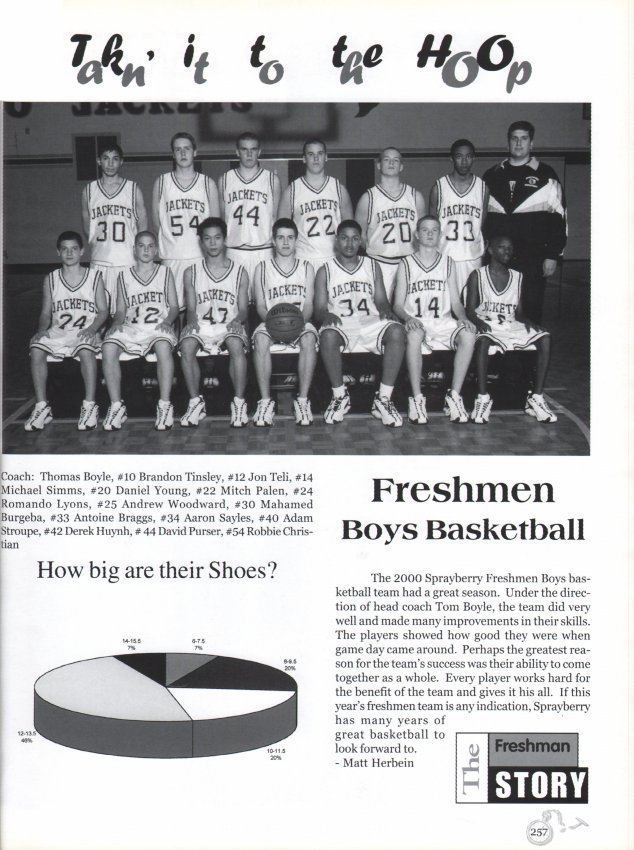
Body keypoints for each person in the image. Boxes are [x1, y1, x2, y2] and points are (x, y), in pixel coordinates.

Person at [314, 220, 405, 427]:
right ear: (336, 241)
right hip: (342, 323)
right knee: (327, 335)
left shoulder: (372, 265)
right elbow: (319, 308)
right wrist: (325, 315)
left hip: (369, 320)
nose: (349, 243)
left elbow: (381, 300)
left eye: (355, 238)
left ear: (361, 241)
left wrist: (386, 311)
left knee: (397, 331)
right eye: (344, 238)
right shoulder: (325, 270)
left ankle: (383, 399)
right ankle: (340, 397)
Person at [392, 215, 476, 425]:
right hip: (417, 321)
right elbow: (397, 305)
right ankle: (417, 398)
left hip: (443, 321)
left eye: (434, 230)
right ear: (416, 234)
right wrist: (408, 317)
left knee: (468, 334)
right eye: (425, 230)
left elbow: (456, 302)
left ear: (440, 235)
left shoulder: (448, 263)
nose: (429, 234)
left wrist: (463, 317)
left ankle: (454, 396)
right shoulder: (406, 263)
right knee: (414, 335)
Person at [466, 235, 557, 423]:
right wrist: (478, 322)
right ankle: (482, 398)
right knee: (483, 341)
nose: (507, 251)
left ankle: (536, 398)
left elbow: (519, 312)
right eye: (502, 247)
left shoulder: (517, 276)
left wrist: (528, 322)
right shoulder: (478, 275)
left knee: (545, 337)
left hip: (510, 324)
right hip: (487, 323)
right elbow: (469, 310)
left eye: (510, 248)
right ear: (490, 250)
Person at [483, 121, 567, 324]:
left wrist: (552, 255)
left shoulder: (546, 175)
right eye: (514, 138)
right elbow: (482, 218)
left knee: (530, 310)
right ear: (507, 143)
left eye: (524, 138)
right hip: (498, 258)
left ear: (532, 143)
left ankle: (530, 345)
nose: (518, 143)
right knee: (497, 309)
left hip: (532, 258)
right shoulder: (492, 175)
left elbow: (559, 218)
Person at [25, 231, 108, 432]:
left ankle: (89, 405)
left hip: (84, 331)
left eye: (74, 249)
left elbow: (103, 311)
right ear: (58, 252)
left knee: (85, 350)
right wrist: (41, 330)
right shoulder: (51, 279)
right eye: (64, 249)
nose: (69, 253)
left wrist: (93, 329)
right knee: (36, 348)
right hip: (59, 332)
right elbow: (45, 313)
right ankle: (42, 407)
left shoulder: (94, 277)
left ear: (82, 251)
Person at [101, 231, 179, 431]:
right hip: (132, 327)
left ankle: (164, 405)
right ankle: (117, 406)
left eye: (150, 246)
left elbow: (174, 307)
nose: (146, 250)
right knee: (108, 347)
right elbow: (120, 310)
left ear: (156, 250)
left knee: (163, 347)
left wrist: (168, 322)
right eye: (141, 246)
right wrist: (116, 323)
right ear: (134, 249)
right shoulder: (123, 276)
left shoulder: (165, 272)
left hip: (157, 327)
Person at [179, 218, 249, 428]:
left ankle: (239, 403)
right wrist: (191, 321)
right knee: (187, 345)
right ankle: (195, 402)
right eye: (207, 238)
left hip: (229, 324)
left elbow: (244, 309)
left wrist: (238, 321)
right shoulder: (191, 272)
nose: (213, 243)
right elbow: (191, 309)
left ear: (224, 240)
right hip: (202, 325)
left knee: (235, 343)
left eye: (217, 238)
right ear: (201, 242)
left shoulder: (240, 271)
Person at [251, 218, 318, 426]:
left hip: (300, 321)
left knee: (309, 338)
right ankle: (265, 402)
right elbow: (260, 305)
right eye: (281, 237)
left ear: (297, 240)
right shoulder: (262, 268)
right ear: (273, 241)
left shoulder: (306, 267)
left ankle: (303, 401)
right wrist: (275, 325)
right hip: (271, 322)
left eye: (290, 237)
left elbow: (309, 305)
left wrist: (298, 324)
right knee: (260, 339)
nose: (286, 242)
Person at [152, 132, 220, 311]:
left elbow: (215, 224)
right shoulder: (162, 182)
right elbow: (157, 221)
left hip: (199, 255)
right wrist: (170, 243)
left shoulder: (207, 184)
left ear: (195, 152)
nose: (183, 153)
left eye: (187, 149)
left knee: (200, 309)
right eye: (178, 149)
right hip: (171, 255)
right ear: (173, 154)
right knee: (171, 310)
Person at [81, 142, 147, 313]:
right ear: (99, 161)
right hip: (100, 260)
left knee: (128, 313)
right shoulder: (89, 190)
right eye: (106, 158)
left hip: (127, 260)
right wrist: (97, 244)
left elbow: (143, 226)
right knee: (99, 313)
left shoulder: (132, 189)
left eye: (115, 159)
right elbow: (87, 225)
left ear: (121, 162)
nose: (110, 164)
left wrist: (139, 254)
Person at [355, 147, 425, 299]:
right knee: (380, 308)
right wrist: (375, 250)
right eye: (386, 159)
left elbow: (423, 233)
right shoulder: (368, 198)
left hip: (409, 261)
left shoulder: (415, 196)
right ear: (379, 165)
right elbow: (359, 235)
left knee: (410, 308)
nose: (391, 163)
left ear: (401, 166)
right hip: (380, 262)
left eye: (395, 160)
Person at [219, 132, 281, 301]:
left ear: (259, 152)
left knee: (267, 302)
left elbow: (275, 217)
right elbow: (222, 219)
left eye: (253, 149)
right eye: (244, 149)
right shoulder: (225, 180)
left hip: (264, 250)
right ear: (237, 152)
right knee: (236, 304)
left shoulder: (272, 180)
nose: (249, 154)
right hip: (235, 251)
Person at [278, 139, 353, 272]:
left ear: (326, 157)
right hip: (303, 258)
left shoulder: (338, 189)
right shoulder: (292, 191)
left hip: (334, 258)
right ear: (304, 159)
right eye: (311, 154)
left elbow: (349, 230)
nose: (316, 158)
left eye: (320, 153)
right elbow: (281, 231)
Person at [429, 139, 487, 300]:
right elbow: (432, 226)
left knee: (471, 303)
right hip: (445, 255)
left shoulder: (482, 188)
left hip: (472, 256)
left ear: (473, 158)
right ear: (451, 158)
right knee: (446, 303)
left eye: (468, 156)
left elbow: (481, 223)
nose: (464, 161)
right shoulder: (439, 188)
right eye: (459, 156)